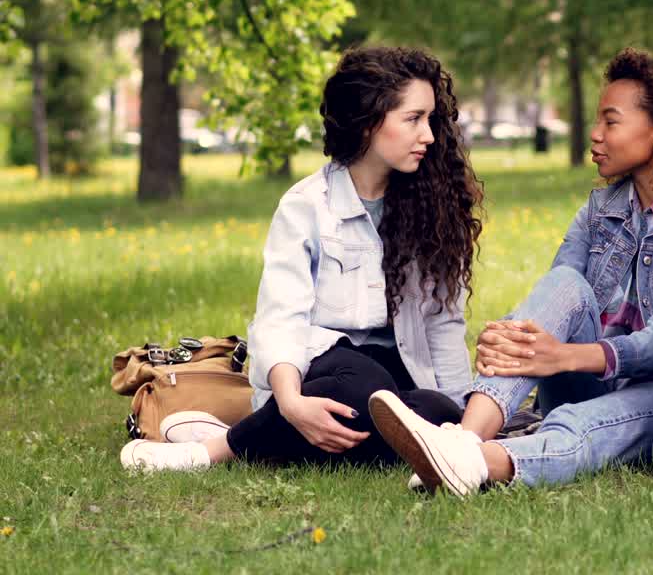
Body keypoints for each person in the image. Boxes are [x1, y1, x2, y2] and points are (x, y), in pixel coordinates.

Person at [369, 47, 653, 496]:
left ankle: (472, 461)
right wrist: (513, 338)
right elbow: (557, 302)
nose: (595, 135)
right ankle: (465, 440)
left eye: (611, 121)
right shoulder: (599, 211)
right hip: (584, 382)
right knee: (566, 284)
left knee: (577, 424)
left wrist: (561, 356)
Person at [120, 46, 482, 471]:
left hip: (394, 377)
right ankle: (209, 452)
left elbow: (442, 324)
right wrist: (290, 402)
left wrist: (465, 429)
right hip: (318, 369)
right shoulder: (307, 206)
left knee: (436, 414)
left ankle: (251, 435)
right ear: (369, 122)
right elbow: (282, 318)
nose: (430, 136)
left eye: (431, 119)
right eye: (413, 119)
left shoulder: (431, 207)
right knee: (364, 390)